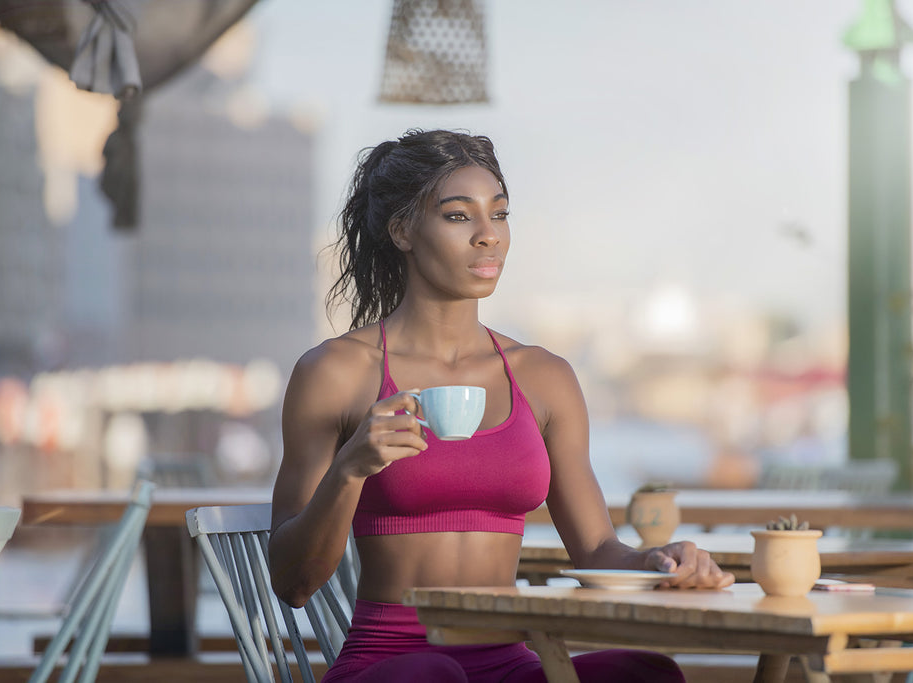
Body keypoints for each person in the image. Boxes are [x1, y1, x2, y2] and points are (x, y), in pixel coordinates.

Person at [268, 128, 735, 682]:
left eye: (501, 214)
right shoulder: (336, 373)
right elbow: (293, 583)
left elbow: (596, 551)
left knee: (647, 673)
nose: (489, 236)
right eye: (459, 217)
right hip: (393, 662)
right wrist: (349, 471)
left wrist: (659, 560)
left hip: (508, 661)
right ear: (402, 231)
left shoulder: (545, 377)